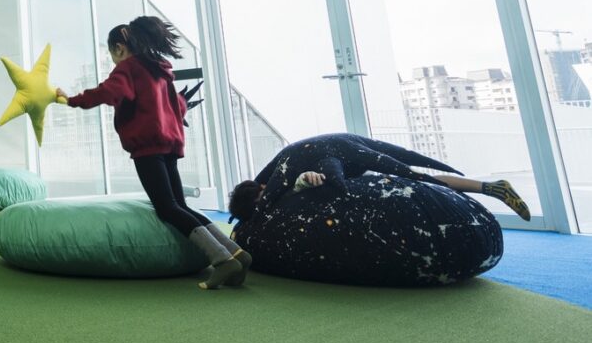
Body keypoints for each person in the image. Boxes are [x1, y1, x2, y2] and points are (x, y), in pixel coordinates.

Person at [57, 16, 250, 290]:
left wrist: (71, 100)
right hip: (170, 145)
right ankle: (237, 254)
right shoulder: (160, 70)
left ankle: (221, 260)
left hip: (148, 147)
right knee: (180, 206)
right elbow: (178, 106)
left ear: (119, 48)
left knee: (167, 208)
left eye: (112, 54)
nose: (113, 60)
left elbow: (109, 92)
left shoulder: (129, 68)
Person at [228, 133, 532, 224]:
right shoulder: (277, 177)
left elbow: (301, 179)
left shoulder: (279, 181)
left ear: (261, 190)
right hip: (344, 161)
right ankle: (492, 188)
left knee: (417, 176)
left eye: (260, 200)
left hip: (343, 161)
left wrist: (310, 179)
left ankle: (491, 188)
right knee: (417, 179)